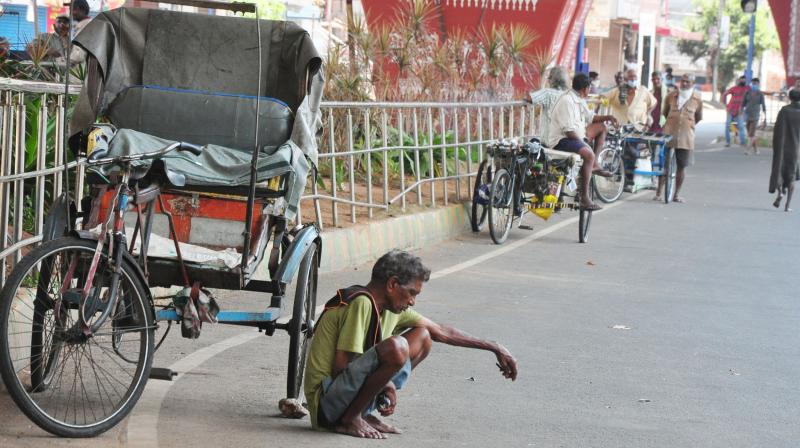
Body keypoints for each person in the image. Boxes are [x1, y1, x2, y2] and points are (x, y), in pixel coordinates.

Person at [303, 250, 518, 439]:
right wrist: (385, 384)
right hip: (326, 405)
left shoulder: (391, 309)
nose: (413, 301)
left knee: (422, 337)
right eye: (412, 293)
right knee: (397, 347)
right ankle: (351, 418)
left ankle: (362, 412)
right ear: (392, 284)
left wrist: (494, 347)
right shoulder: (362, 302)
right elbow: (340, 368)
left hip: (345, 394)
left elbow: (441, 331)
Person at [546, 73, 619, 211]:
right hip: (562, 140)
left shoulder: (579, 98)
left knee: (602, 128)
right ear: (585, 88)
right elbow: (568, 131)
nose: (590, 90)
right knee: (588, 154)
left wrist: (608, 117)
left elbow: (590, 117)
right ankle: (584, 197)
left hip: (576, 136)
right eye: (589, 88)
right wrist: (584, 144)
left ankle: (594, 164)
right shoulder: (567, 100)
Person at [656, 74, 703, 203]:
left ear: (692, 84)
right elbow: (665, 112)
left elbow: (698, 117)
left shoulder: (697, 99)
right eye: (682, 81)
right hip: (669, 134)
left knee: (681, 167)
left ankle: (676, 194)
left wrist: (687, 124)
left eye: (688, 82)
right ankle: (659, 192)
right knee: (664, 165)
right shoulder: (671, 96)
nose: (684, 84)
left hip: (686, 137)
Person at [769, 89, 800, 212]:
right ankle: (787, 205)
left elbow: (777, 129)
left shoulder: (784, 111)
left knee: (780, 171)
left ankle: (781, 192)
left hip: (782, 147)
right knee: (791, 176)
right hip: (796, 148)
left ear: (790, 98)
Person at [528, 66, 569, 146]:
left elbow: (531, 98)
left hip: (548, 142)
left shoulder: (548, 93)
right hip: (564, 141)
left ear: (551, 80)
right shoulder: (568, 95)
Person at [722, 76, 750, 147]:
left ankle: (742, 142)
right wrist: (725, 104)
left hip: (739, 111)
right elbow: (725, 94)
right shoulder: (734, 88)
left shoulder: (747, 88)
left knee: (740, 126)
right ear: (739, 81)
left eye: (744, 80)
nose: (742, 81)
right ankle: (728, 142)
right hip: (730, 110)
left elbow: (754, 93)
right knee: (728, 126)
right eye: (741, 80)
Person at [742, 78, 767, 155]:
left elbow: (763, 106)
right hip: (747, 114)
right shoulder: (747, 92)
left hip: (755, 115)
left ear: (758, 84)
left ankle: (747, 150)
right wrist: (740, 111)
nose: (754, 85)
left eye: (756, 83)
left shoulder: (760, 94)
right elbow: (743, 103)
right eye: (753, 83)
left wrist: (765, 118)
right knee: (750, 134)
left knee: (751, 133)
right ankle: (756, 149)